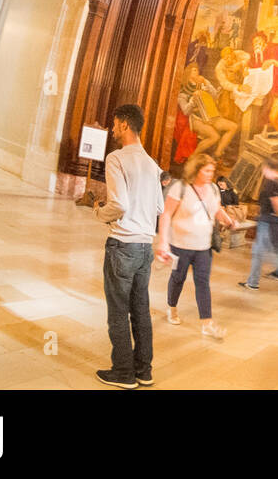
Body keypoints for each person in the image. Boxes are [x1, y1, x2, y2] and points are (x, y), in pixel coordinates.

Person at [92, 104, 166, 389]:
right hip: (145, 247)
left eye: (114, 123)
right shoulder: (152, 164)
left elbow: (119, 204)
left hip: (123, 244)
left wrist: (100, 213)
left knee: (118, 310)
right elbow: (159, 206)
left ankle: (122, 372)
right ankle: (143, 370)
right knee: (141, 308)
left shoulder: (117, 158)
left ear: (124, 124)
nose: (112, 129)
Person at [158, 152, 236, 340]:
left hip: (203, 246)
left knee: (203, 282)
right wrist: (163, 241)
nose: (211, 174)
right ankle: (172, 307)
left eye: (212, 170)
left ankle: (207, 324)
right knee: (178, 278)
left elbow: (216, 210)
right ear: (196, 169)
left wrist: (228, 220)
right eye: (206, 170)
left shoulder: (213, 189)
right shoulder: (181, 188)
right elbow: (166, 214)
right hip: (180, 245)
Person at [240, 157, 278, 292]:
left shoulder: (271, 183)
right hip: (272, 221)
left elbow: (277, 202)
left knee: (271, 255)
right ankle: (252, 282)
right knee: (259, 252)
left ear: (266, 168)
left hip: (268, 222)